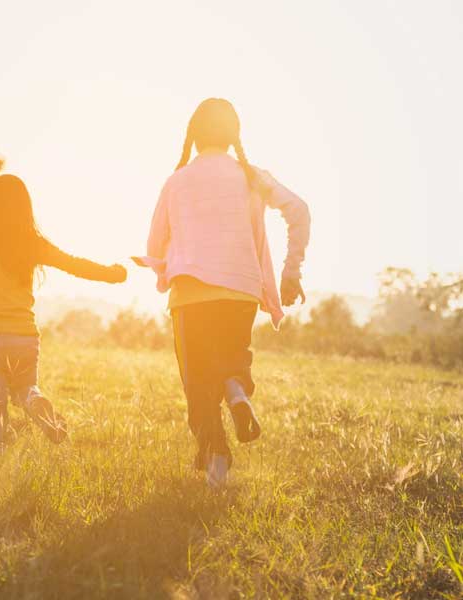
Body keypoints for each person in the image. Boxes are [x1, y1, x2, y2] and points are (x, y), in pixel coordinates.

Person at [140, 98, 311, 489]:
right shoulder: (251, 176)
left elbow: (155, 242)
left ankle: (217, 461)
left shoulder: (177, 180)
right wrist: (291, 269)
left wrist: (162, 271)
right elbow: (298, 209)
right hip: (242, 290)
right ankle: (235, 386)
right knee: (231, 359)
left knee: (198, 384)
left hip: (191, 294)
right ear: (234, 135)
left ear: (193, 135)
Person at [0, 174, 127, 457]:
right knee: (24, 387)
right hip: (23, 336)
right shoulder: (31, 243)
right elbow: (74, 265)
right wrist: (112, 274)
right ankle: (33, 399)